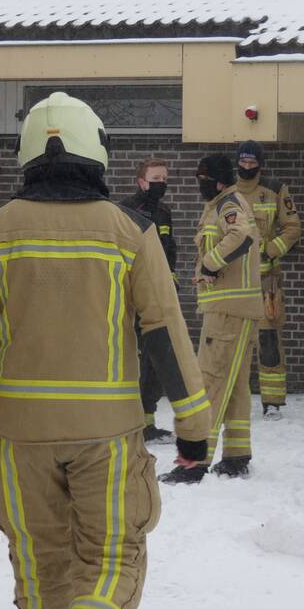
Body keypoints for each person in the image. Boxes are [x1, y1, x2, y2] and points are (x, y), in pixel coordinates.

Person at [0, 92, 210, 609]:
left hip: (20, 439)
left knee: (40, 563)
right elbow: (165, 334)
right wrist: (194, 428)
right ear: (96, 151)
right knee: (114, 556)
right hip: (108, 435)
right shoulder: (131, 231)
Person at [160, 154, 262, 484]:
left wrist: (209, 264)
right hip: (237, 309)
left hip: (227, 311)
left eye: (202, 178)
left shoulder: (228, 205)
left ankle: (195, 461)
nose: (199, 183)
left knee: (210, 381)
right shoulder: (223, 203)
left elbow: (242, 236)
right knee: (235, 385)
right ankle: (236, 455)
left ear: (217, 180)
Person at [231, 141, 301, 421]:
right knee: (231, 342)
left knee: (269, 342)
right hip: (233, 281)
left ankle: (273, 402)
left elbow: (293, 228)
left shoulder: (275, 189)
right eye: (243, 162)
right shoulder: (227, 190)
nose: (247, 167)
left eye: (252, 163)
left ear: (260, 163)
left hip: (265, 282)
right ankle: (232, 398)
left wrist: (270, 250)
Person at [118, 157, 178, 441]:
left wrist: (171, 284)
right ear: (141, 181)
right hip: (132, 297)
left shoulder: (164, 212)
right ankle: (127, 422)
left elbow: (170, 252)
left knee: (155, 359)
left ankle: (147, 422)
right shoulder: (125, 210)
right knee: (133, 358)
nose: (161, 184)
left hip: (159, 297)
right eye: (156, 179)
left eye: (164, 179)